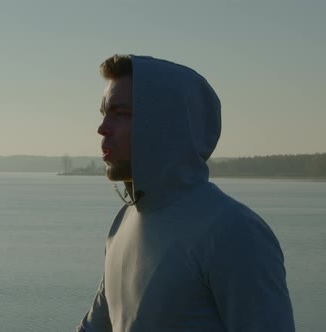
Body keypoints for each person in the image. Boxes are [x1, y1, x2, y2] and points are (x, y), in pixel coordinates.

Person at [76, 54, 295, 332]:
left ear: (166, 124)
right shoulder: (123, 223)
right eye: (104, 113)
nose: (102, 128)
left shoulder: (234, 232)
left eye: (121, 114)